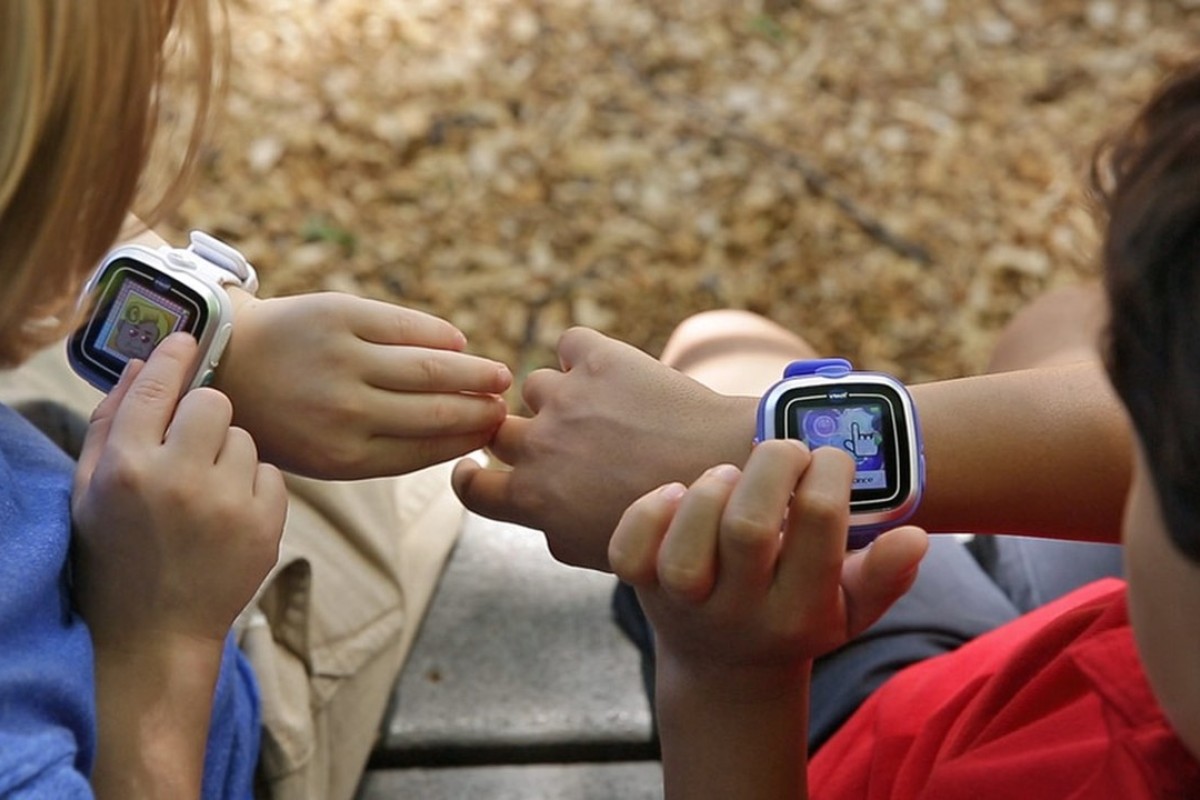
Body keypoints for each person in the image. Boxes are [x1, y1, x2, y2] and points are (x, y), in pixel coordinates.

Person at [457, 63, 1200, 796]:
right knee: (1065, 321)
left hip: (876, 738)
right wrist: (728, 437)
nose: (1135, 426)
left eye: (1146, 437)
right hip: (1074, 647)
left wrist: (731, 676)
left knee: (725, 338)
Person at [0, 2, 511, 798]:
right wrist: (162, 635)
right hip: (201, 682)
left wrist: (222, 340)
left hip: (100, 519)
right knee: (429, 500)